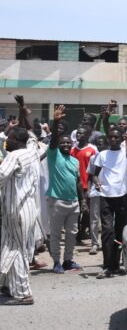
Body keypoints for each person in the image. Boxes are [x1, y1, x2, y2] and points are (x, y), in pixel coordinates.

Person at [0, 126, 40, 305]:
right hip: (28, 209)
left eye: (9, 138)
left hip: (16, 210)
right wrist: (24, 113)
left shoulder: (14, 156)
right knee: (11, 246)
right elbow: (32, 137)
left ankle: (23, 294)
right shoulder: (32, 152)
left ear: (16, 141)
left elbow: (1, 175)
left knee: (15, 250)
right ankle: (9, 285)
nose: (6, 140)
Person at [93, 128, 127, 278]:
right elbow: (94, 174)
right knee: (108, 231)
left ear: (121, 139)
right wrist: (97, 182)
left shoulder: (126, 153)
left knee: (120, 231)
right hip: (106, 197)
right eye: (111, 137)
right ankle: (107, 266)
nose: (113, 139)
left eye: (116, 137)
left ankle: (116, 265)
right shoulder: (102, 154)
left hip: (122, 197)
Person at [46, 106, 85, 274]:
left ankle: (68, 260)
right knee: (56, 234)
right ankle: (56, 262)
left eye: (68, 142)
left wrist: (82, 200)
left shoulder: (75, 161)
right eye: (63, 142)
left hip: (73, 202)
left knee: (72, 234)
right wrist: (56, 122)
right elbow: (54, 140)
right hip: (57, 201)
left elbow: (78, 182)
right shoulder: (54, 154)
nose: (66, 144)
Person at [86, 135, 107, 255]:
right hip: (96, 192)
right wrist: (89, 190)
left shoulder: (110, 157)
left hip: (109, 192)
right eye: (98, 144)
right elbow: (90, 175)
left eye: (102, 143)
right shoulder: (93, 158)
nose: (100, 146)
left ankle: (106, 242)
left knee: (107, 219)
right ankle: (94, 243)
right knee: (94, 218)